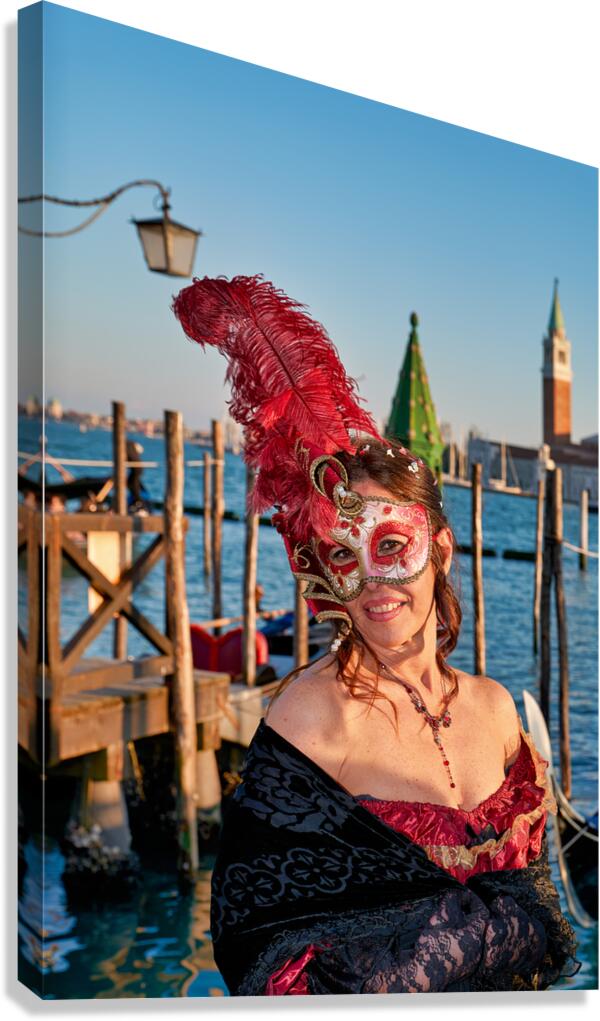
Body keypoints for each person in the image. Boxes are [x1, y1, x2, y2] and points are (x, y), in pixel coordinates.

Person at [172, 273, 580, 997]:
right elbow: (255, 945)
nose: (373, 583)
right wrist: (462, 933)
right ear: (323, 574)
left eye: (391, 546)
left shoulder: (495, 711)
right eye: (343, 556)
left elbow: (545, 909)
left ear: (443, 548)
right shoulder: (309, 717)